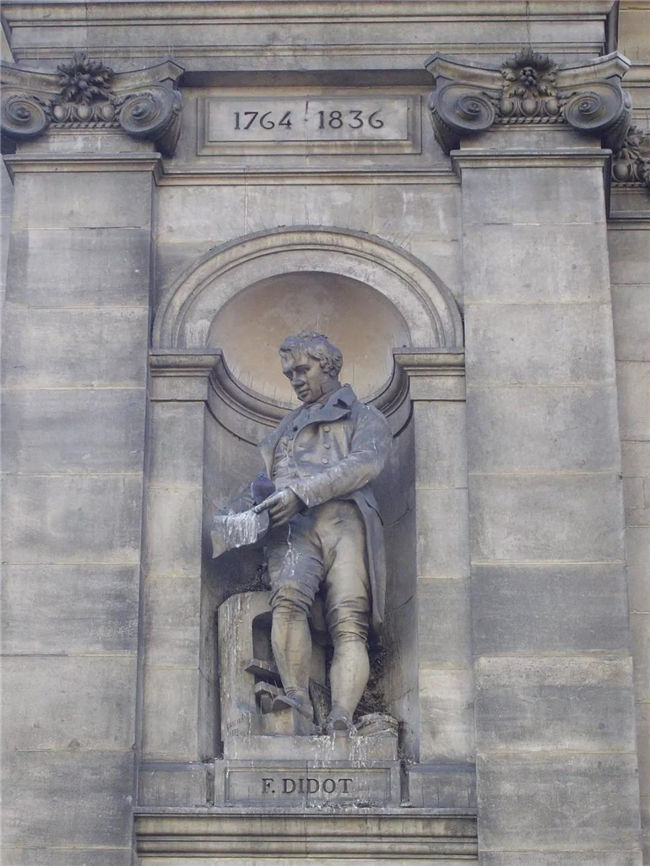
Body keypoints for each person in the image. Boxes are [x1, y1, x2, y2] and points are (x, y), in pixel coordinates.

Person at [253, 330, 391, 733]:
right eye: (289, 374)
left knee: (349, 620)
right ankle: (295, 697)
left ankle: (341, 716)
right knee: (287, 601)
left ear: (327, 365)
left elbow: (365, 463)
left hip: (344, 521)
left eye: (303, 369)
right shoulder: (285, 428)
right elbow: (267, 481)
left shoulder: (364, 415)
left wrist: (304, 492)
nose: (295, 380)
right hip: (293, 528)